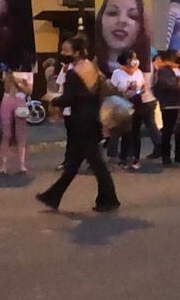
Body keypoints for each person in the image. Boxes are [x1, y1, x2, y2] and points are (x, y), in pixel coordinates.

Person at [35, 36, 120, 213]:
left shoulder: (73, 73)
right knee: (73, 163)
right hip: (92, 119)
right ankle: (53, 196)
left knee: (97, 163)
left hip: (81, 122)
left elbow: (68, 99)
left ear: (77, 52)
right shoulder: (92, 68)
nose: (62, 54)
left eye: (66, 51)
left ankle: (109, 199)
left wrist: (52, 99)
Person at [110, 50, 153, 170]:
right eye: (133, 58)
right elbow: (112, 89)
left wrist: (140, 91)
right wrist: (123, 94)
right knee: (124, 132)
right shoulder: (117, 73)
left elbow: (143, 85)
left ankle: (135, 157)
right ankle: (123, 157)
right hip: (123, 104)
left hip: (137, 104)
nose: (135, 61)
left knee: (135, 132)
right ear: (127, 60)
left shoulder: (138, 72)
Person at [93, 0, 151, 75]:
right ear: (100, 19)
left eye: (132, 16)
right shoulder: (87, 68)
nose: (122, 20)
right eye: (112, 13)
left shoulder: (148, 70)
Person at [152, 51, 180, 164]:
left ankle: (179, 154)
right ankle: (166, 156)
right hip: (168, 104)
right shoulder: (163, 71)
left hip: (178, 103)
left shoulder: (174, 69)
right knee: (168, 131)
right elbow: (173, 86)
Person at [0, 69, 30, 174]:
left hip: (20, 101)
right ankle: (3, 165)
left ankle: (22, 164)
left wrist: (17, 83)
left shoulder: (27, 71)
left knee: (21, 134)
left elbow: (28, 91)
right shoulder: (7, 70)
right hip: (7, 100)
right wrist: (9, 77)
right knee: (6, 134)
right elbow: (6, 89)